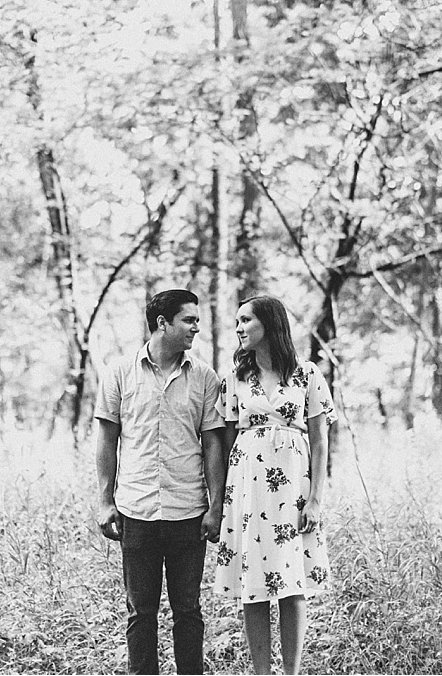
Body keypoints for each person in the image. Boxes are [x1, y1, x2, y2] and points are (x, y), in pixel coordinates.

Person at [95, 289, 227, 675]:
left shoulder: (204, 376)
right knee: (140, 612)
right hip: (137, 510)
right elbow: (107, 439)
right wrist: (105, 501)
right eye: (188, 320)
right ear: (162, 323)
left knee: (188, 611)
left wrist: (215, 507)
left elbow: (212, 447)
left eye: (197, 321)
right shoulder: (119, 372)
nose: (196, 328)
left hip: (188, 512)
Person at [213, 295, 336, 675]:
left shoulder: (307, 374)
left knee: (290, 581)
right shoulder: (234, 379)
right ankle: (261, 673)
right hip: (248, 486)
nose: (238, 328)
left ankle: (292, 672)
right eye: (236, 321)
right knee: (254, 582)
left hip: (292, 485)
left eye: (245, 320)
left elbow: (319, 440)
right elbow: (223, 437)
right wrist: (218, 502)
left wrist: (315, 499)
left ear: (269, 323)